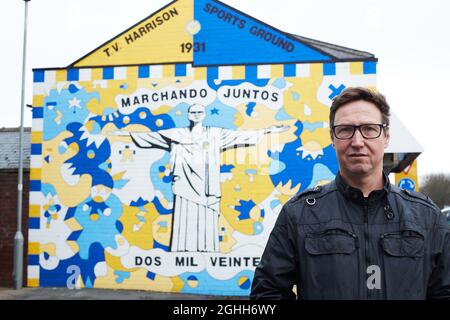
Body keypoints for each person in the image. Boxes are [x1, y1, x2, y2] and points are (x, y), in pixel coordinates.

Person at [250, 87, 450, 299]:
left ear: (386, 137)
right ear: (333, 138)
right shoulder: (298, 214)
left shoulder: (427, 217)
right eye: (345, 130)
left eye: (369, 129)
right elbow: (267, 294)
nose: (357, 142)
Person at [114, 104, 289, 252]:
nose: (196, 114)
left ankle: (207, 248)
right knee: (185, 215)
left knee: (206, 216)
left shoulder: (215, 134)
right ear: (188, 115)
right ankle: (183, 248)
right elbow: (150, 136)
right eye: (193, 112)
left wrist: (269, 131)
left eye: (199, 112)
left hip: (207, 185)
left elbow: (241, 136)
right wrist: (120, 134)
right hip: (184, 184)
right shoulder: (177, 134)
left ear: (204, 114)